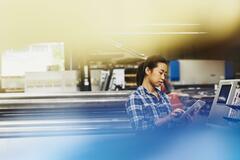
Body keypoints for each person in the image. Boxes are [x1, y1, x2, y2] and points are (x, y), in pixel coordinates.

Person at [125, 55, 187, 132]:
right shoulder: (135, 98)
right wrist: (167, 118)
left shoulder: (163, 96)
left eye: (164, 74)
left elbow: (170, 125)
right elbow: (140, 128)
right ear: (148, 71)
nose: (163, 78)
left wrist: (182, 119)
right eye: (160, 73)